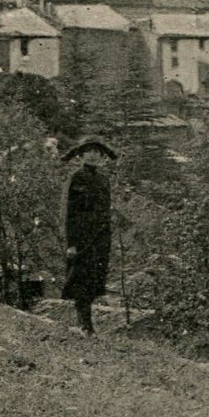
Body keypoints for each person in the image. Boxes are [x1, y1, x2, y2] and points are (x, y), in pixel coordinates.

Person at [62, 139, 116, 334]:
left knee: (95, 278)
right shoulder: (77, 177)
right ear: (81, 155)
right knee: (81, 279)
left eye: (97, 152)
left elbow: (105, 210)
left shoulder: (103, 179)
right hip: (82, 237)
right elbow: (71, 213)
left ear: (102, 157)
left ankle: (86, 323)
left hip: (101, 237)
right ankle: (85, 324)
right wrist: (72, 243)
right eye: (88, 152)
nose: (93, 155)